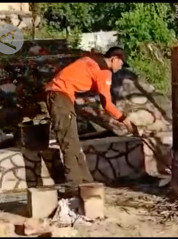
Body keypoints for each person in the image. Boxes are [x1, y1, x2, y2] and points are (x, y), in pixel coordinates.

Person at [44, 46, 134, 187]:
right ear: (114, 59)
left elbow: (77, 76)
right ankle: (75, 184)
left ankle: (87, 181)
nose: (121, 67)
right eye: (121, 63)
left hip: (60, 95)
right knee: (69, 142)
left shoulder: (91, 59)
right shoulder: (104, 71)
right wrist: (124, 119)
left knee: (74, 142)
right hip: (60, 96)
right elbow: (107, 104)